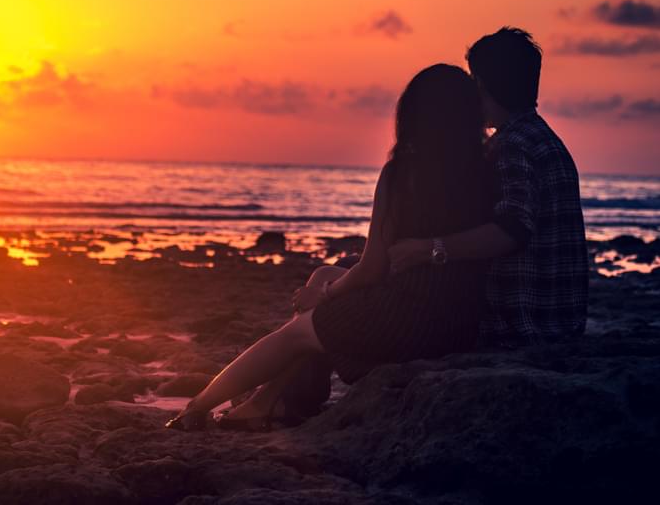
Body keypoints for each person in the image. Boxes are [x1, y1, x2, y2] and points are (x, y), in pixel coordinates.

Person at [165, 63, 493, 431]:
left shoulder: (404, 173)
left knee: (299, 331)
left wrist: (325, 295)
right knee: (322, 275)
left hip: (414, 320)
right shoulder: (488, 169)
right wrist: (328, 285)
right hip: (459, 319)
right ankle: (267, 402)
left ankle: (195, 408)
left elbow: (373, 267)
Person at [388, 28, 589, 347]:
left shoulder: (512, 145)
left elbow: (513, 228)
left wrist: (428, 250)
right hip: (558, 320)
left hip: (518, 324)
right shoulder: (543, 139)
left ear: (481, 86)